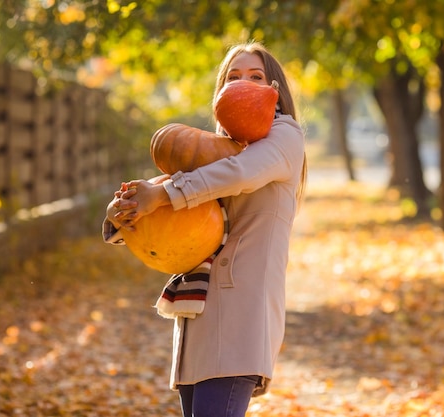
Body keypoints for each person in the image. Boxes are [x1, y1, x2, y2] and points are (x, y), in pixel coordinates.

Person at [103, 41, 307, 417]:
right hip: (197, 314)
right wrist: (123, 215)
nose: (243, 83)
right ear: (219, 94)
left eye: (255, 77)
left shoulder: (285, 138)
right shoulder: (213, 152)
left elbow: (240, 174)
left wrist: (162, 193)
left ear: (274, 92)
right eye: (233, 77)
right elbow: (175, 220)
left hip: (241, 314)